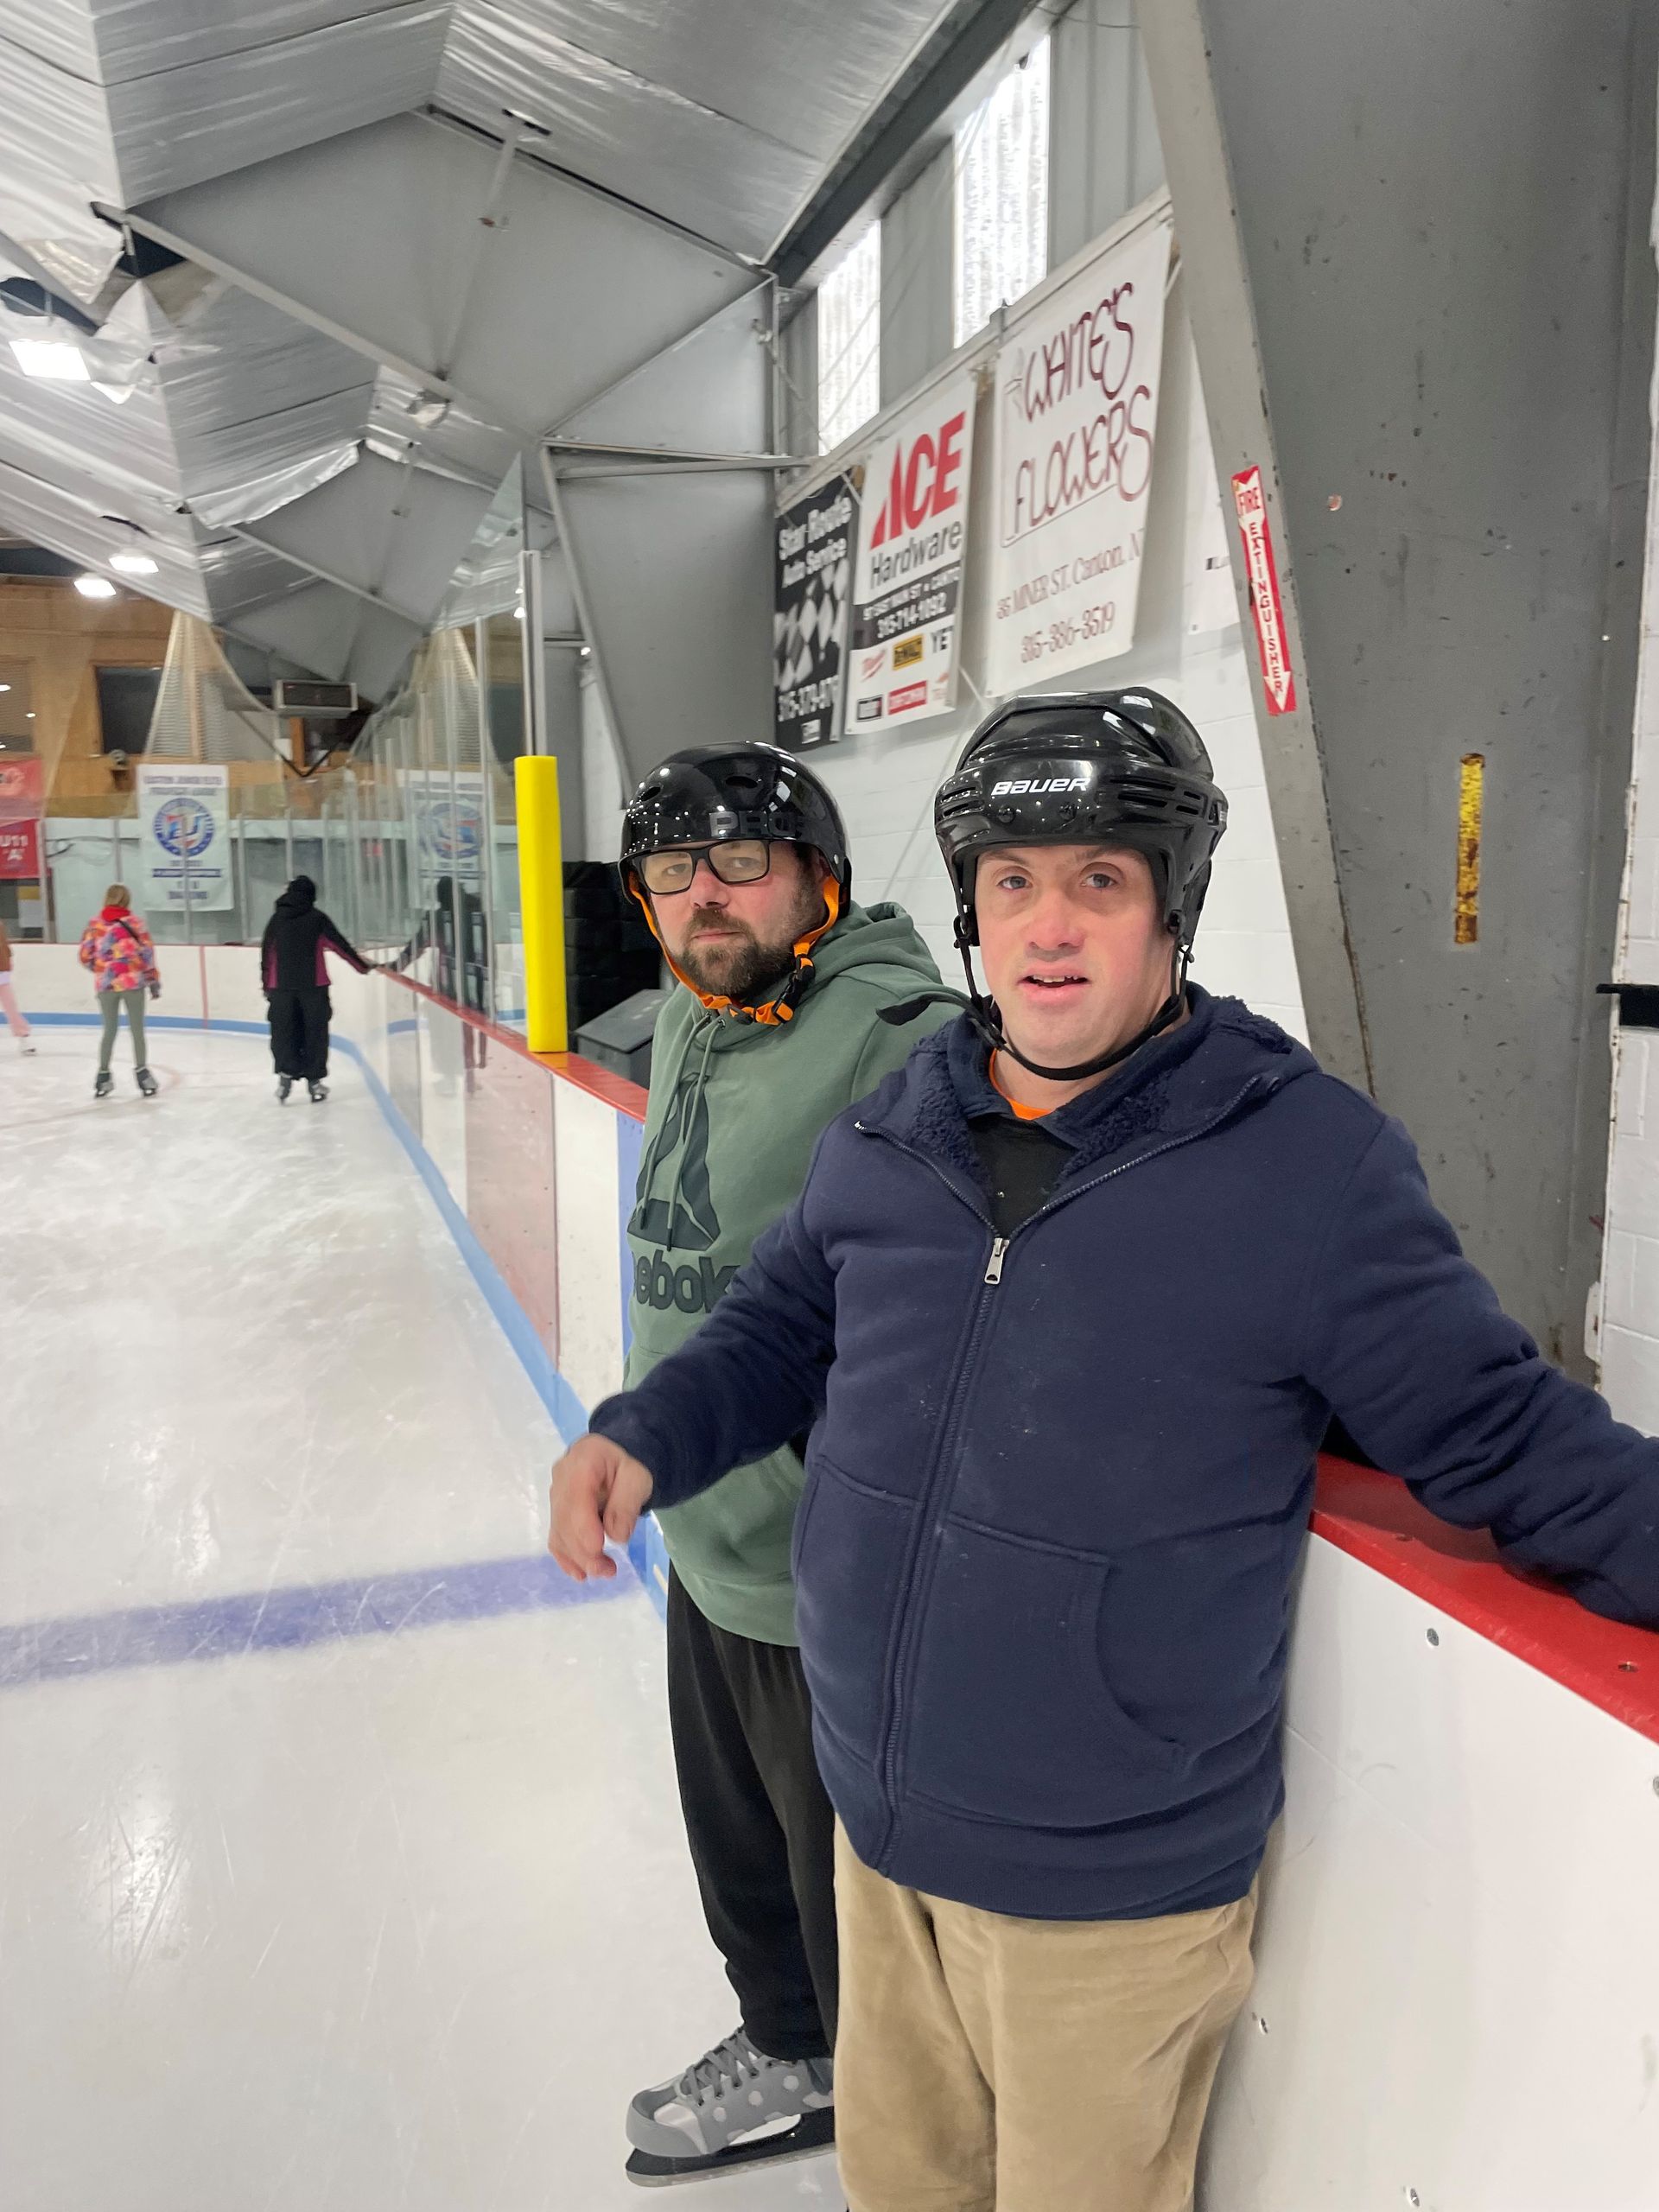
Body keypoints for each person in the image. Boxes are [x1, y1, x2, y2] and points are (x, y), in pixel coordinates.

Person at [550, 689, 1659, 2212]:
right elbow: (774, 1323)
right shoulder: (898, 1131)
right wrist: (646, 1435)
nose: (1048, 927)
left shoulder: (1307, 1171)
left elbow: (1507, 1438)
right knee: (902, 2190)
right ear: (970, 910)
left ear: (1169, 910)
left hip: (1105, 1899)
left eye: (1099, 881)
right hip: (877, 1841)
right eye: (1012, 882)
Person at [602, 741, 952, 2186]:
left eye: (740, 862)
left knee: (854, 1904)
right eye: (672, 874)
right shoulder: (696, 1004)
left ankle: (889, 2126)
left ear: (819, 877)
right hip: (709, 1535)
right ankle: (787, 2046)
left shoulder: (905, 1035)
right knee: (745, 1867)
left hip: (828, 1561)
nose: (704, 899)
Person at [260, 875, 372, 1103]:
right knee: (315, 1033)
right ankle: (315, 1082)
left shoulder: (277, 920)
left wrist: (266, 986)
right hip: (314, 987)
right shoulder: (317, 918)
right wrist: (362, 967)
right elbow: (340, 945)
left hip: (281, 989)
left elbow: (267, 956)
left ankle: (285, 1076)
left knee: (283, 1032)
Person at [79, 883, 159, 1099]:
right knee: (137, 1030)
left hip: (106, 985)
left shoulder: (95, 925)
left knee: (109, 1030)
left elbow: (85, 956)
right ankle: (142, 1073)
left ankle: (103, 1076)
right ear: (126, 901)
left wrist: (102, 970)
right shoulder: (136, 924)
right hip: (133, 984)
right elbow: (148, 955)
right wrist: (152, 979)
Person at [0, 915, 34, 1053]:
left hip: (2, 971)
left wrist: (8, 962)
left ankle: (23, 1037)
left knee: (11, 1006)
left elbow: (5, 945)